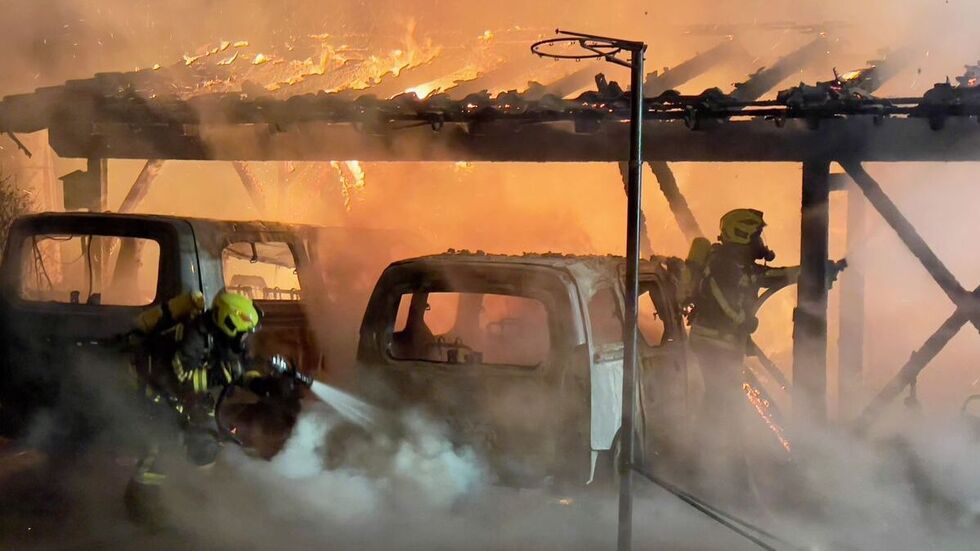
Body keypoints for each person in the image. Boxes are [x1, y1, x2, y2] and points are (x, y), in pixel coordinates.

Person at [686, 208, 841, 502]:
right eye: (757, 234)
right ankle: (708, 467)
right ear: (743, 234)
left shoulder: (741, 265)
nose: (761, 241)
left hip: (725, 347)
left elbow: (774, 275)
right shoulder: (723, 265)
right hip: (713, 346)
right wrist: (740, 320)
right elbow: (722, 298)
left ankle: (711, 464)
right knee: (720, 404)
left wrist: (818, 268)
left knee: (720, 403)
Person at [124, 290, 309, 524]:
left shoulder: (225, 340)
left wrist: (263, 384)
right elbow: (181, 379)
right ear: (229, 324)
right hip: (157, 392)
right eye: (244, 333)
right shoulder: (194, 337)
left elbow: (239, 369)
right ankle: (140, 503)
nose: (246, 339)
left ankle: (199, 495)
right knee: (164, 443)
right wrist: (217, 375)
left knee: (207, 441)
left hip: (188, 400)